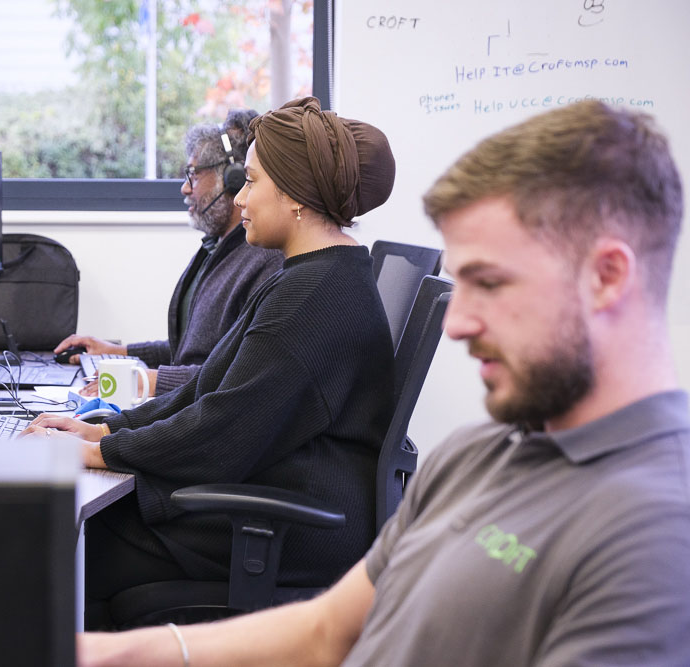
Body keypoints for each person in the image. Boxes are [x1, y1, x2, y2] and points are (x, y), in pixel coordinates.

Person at [75, 99, 690, 666]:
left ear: (607, 278)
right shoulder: (468, 461)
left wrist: (102, 444)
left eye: (493, 282)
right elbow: (323, 633)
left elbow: (224, 425)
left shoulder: (651, 537)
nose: (460, 322)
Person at [27, 97, 398, 629]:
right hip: (270, 494)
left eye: (251, 181)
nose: (239, 196)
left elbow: (220, 433)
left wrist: (99, 452)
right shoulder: (307, 275)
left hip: (285, 526)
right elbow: (207, 389)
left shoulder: (314, 297)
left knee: (49, 547)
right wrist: (102, 428)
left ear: (294, 195)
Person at [54, 109, 282, 397]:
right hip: (182, 406)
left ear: (232, 179)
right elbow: (189, 350)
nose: (185, 188)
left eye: (194, 175)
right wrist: (118, 351)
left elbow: (235, 377)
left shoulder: (265, 261)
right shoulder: (215, 250)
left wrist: (144, 381)